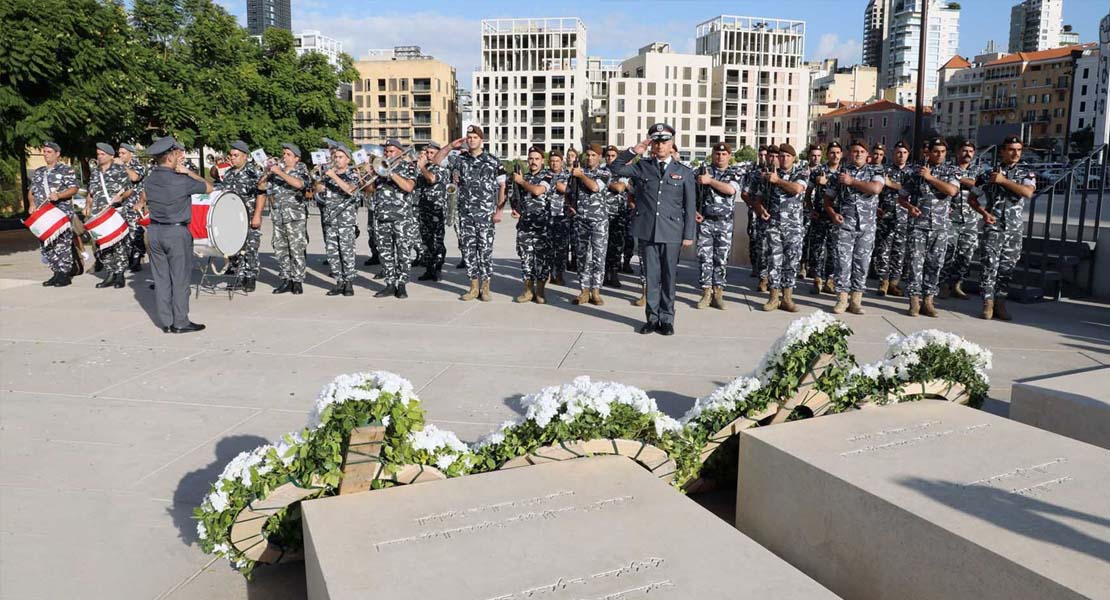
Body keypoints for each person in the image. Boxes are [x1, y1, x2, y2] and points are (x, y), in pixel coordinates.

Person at [609, 123, 696, 336]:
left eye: (664, 141)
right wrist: (634, 151)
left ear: (671, 143)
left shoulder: (683, 171)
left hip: (672, 231)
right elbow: (615, 167)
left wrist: (688, 234)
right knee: (651, 277)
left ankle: (667, 319)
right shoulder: (642, 166)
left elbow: (690, 205)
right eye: (655, 142)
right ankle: (652, 318)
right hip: (647, 231)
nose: (660, 145)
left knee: (668, 277)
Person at [141, 136, 211, 333]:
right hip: (175, 232)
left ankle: (166, 322)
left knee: (161, 279)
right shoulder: (181, 180)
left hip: (154, 231)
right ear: (170, 157)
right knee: (179, 279)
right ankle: (180, 322)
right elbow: (209, 187)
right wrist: (188, 172)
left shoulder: (150, 179)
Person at [433, 125, 506, 302]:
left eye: (475, 137)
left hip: (485, 215)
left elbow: (503, 186)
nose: (472, 140)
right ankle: (473, 286)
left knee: (485, 251)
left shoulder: (493, 161)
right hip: (465, 214)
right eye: (469, 137)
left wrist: (499, 211)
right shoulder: (460, 159)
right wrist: (451, 145)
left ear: (482, 140)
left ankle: (485, 287)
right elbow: (436, 160)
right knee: (468, 251)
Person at [969, 135, 1036, 321]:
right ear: (1003, 151)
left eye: (1019, 150)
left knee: (1007, 268)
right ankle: (987, 304)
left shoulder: (1026, 174)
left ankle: (1000, 303)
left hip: (1013, 229)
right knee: (989, 266)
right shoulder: (987, 174)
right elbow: (972, 198)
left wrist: (1003, 181)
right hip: (994, 227)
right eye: (1011, 150)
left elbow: (1027, 193)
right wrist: (984, 214)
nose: (1015, 153)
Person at [898, 138, 960, 317]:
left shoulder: (951, 171)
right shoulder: (915, 173)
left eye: (943, 152)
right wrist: (910, 207)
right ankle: (914, 301)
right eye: (936, 151)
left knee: (935, 264)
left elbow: (952, 191)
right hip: (918, 226)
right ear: (929, 153)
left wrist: (930, 178)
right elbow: (901, 197)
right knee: (915, 264)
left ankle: (928, 301)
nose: (939, 155)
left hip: (940, 227)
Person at [823, 139, 885, 315]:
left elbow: (875, 189)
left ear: (867, 155)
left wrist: (852, 182)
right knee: (842, 263)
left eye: (861, 151)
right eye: (855, 151)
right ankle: (842, 299)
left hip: (866, 228)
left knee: (862, 264)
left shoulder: (876, 171)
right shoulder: (839, 174)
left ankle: (856, 300)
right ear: (850, 154)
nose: (858, 154)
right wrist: (833, 214)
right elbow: (827, 199)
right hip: (845, 226)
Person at [752, 144, 809, 312]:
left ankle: (787, 298)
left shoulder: (800, 173)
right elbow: (758, 197)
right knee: (774, 261)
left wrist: (777, 181)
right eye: (781, 156)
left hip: (793, 227)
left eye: (787, 156)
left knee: (791, 262)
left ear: (793, 158)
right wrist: (760, 209)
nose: (784, 159)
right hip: (774, 226)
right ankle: (773, 297)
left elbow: (797, 189)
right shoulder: (769, 174)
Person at [366, 139, 418, 299]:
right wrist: (370, 174)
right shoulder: (379, 168)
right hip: (382, 217)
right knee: (385, 253)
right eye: (386, 151)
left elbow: (408, 187)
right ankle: (389, 284)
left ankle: (401, 285)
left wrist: (390, 173)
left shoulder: (408, 167)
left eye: (391, 151)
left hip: (402, 218)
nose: (388, 154)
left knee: (403, 253)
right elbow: (369, 190)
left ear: (400, 153)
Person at [694, 142, 742, 310]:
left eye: (724, 154)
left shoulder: (735, 172)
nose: (720, 157)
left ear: (729, 156)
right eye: (717, 153)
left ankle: (718, 293)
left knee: (721, 259)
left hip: (724, 222)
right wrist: (694, 211)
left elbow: (730, 190)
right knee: (704, 258)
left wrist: (709, 181)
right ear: (712, 154)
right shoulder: (701, 171)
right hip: (705, 221)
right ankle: (706, 292)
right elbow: (691, 193)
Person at [257, 141, 308, 294]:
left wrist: (279, 172)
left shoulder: (301, 170)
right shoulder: (275, 173)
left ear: (296, 158)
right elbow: (261, 187)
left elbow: (299, 185)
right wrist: (267, 172)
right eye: (284, 154)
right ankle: (286, 279)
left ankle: (297, 281)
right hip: (278, 217)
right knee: (280, 249)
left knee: (296, 249)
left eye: (288, 154)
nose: (284, 157)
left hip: (295, 218)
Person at [217, 140, 267, 292]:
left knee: (250, 248)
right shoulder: (228, 173)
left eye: (236, 155)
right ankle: (239, 276)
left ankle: (250, 278)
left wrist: (257, 215)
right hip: (232, 219)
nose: (232, 158)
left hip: (249, 216)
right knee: (234, 248)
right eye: (231, 155)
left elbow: (261, 194)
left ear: (245, 156)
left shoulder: (254, 173)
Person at [27, 142, 79, 287]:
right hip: (42, 214)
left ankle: (64, 274)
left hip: (60, 212)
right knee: (47, 243)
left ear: (57, 154)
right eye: (44, 151)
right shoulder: (39, 171)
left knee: (62, 243)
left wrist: (59, 195)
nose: (45, 154)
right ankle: (56, 272)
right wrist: (31, 204)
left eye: (49, 152)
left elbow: (74, 188)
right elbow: (31, 192)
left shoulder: (66, 170)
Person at [568, 145, 612, 306]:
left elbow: (595, 187)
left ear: (600, 157)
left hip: (599, 221)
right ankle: (584, 290)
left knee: (598, 257)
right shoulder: (577, 172)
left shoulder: (605, 173)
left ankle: (596, 291)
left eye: (594, 155)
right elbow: (569, 191)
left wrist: (580, 175)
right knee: (582, 257)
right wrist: (570, 205)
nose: (590, 158)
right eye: (588, 155)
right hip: (581, 220)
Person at [85, 142, 133, 289]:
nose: (99, 157)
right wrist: (87, 206)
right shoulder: (95, 172)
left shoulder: (119, 170)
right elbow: (91, 193)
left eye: (102, 154)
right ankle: (110, 273)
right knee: (102, 244)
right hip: (99, 214)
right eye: (98, 154)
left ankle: (119, 275)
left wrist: (121, 197)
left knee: (118, 244)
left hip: (114, 212)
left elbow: (129, 190)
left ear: (111, 156)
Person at [940, 140, 984, 299]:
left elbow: (980, 186)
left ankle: (957, 285)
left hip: (970, 219)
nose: (967, 154)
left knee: (966, 254)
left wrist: (960, 179)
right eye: (964, 150)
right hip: (950, 218)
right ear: (958, 152)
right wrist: (962, 180)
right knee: (947, 253)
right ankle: (943, 285)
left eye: (970, 151)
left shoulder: (978, 171)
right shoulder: (947, 169)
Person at [510, 147, 553, 303]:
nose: (533, 162)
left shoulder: (548, 176)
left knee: (542, 260)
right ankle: (528, 291)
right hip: (525, 226)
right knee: (526, 259)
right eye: (531, 158)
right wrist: (516, 209)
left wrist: (521, 181)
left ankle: (540, 292)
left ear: (542, 161)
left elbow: (537, 191)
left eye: (536, 159)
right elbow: (516, 198)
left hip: (543, 227)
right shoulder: (524, 177)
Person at [317, 144, 361, 296]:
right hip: (330, 218)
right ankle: (339, 282)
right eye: (335, 157)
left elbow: (350, 190)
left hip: (346, 221)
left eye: (340, 157)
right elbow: (318, 190)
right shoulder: (329, 174)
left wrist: (334, 176)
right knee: (332, 253)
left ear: (348, 159)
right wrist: (319, 179)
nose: (337, 160)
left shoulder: (352, 174)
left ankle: (348, 283)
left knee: (347, 252)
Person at [873, 141, 913, 296]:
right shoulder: (884, 170)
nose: (901, 155)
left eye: (904, 152)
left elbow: (912, 190)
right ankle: (883, 282)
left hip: (904, 217)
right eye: (898, 152)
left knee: (899, 251)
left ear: (908, 154)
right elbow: (876, 190)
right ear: (893, 153)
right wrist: (876, 206)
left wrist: (891, 184)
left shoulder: (912, 173)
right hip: (886, 215)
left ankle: (894, 283)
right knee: (883, 251)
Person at [807, 142, 843, 295]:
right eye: (832, 153)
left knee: (834, 249)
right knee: (817, 249)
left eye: (837, 152)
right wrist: (810, 209)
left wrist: (827, 182)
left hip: (837, 217)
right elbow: (808, 193)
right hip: (820, 215)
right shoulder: (818, 171)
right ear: (827, 155)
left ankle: (830, 279)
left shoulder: (845, 172)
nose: (835, 156)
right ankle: (817, 279)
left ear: (841, 154)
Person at [416, 142, 449, 282]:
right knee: (426, 241)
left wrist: (422, 167)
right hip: (423, 209)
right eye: (427, 153)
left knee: (437, 241)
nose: (429, 155)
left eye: (432, 153)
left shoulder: (441, 168)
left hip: (436, 210)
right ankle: (429, 269)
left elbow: (431, 179)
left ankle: (437, 269)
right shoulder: (424, 168)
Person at [117, 143, 148, 272]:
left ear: (131, 154)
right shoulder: (117, 167)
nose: (120, 155)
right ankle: (128, 257)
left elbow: (135, 177)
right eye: (119, 153)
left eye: (123, 153)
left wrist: (123, 166)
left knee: (135, 233)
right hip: (120, 205)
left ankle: (137, 257)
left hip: (134, 205)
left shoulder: (139, 166)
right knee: (123, 234)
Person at [603, 145, 630, 288]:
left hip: (619, 214)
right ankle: (603, 273)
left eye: (613, 156)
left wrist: (605, 182)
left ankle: (614, 272)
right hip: (603, 213)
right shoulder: (600, 171)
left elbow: (620, 188)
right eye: (608, 156)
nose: (610, 158)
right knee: (603, 245)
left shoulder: (623, 171)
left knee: (617, 245)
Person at [798, 144, 822, 279]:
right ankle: (802, 266)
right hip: (802, 209)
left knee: (816, 240)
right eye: (813, 155)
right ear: (808, 156)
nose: (816, 158)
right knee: (803, 239)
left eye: (818, 155)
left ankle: (814, 267)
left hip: (818, 210)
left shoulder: (823, 171)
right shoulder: (801, 171)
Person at [547, 151, 571, 286]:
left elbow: (574, 192)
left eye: (557, 161)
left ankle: (560, 274)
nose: (554, 163)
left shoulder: (568, 176)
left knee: (562, 248)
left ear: (562, 162)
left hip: (562, 216)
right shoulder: (544, 175)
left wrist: (565, 189)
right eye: (552, 161)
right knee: (548, 247)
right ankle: (549, 274)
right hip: (547, 216)